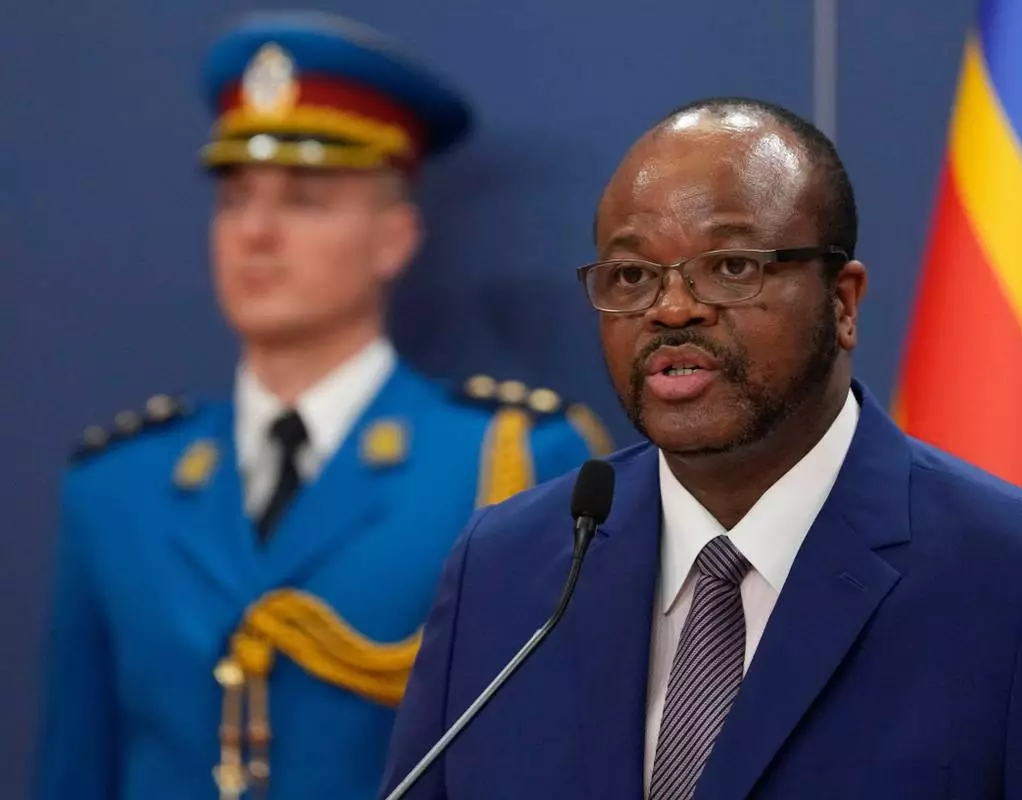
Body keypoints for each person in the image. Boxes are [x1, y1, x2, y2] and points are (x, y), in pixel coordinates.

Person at [378, 97, 1022, 799]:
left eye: (731, 266)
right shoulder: (507, 572)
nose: (671, 309)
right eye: (630, 277)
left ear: (842, 302)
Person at [33, 11, 610, 800]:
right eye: (234, 198)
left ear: (393, 238)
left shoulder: (507, 464)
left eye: (304, 200)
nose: (256, 233)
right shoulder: (117, 486)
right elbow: (75, 770)